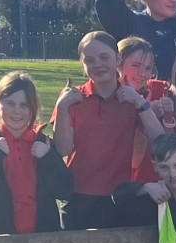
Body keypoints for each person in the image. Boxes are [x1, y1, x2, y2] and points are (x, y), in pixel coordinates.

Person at [50, 31, 153, 229]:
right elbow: (63, 149)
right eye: (89, 60)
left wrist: (140, 103)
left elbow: (159, 139)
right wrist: (62, 107)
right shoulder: (72, 97)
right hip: (77, 196)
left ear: (118, 59)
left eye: (104, 57)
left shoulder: (131, 98)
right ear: (82, 64)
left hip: (118, 196)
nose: (97, 64)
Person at [0, 72, 71, 235]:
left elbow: (65, 191)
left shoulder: (43, 143)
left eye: (24, 105)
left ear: (33, 108)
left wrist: (48, 157)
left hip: (42, 237)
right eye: (10, 103)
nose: (17, 111)